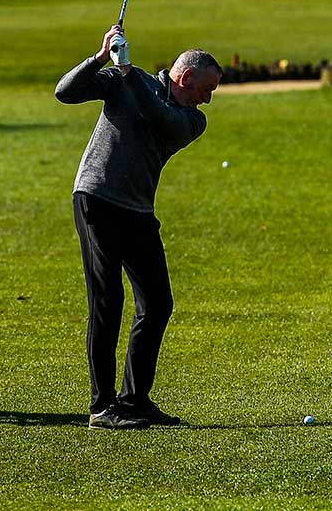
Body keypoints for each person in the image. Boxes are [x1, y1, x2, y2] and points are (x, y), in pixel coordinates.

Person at [54, 24, 222, 430]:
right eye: (206, 89)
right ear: (184, 78)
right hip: (96, 197)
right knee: (107, 299)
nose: (208, 99)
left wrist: (128, 72)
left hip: (137, 211)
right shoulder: (126, 79)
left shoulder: (190, 120)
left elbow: (160, 118)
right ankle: (102, 407)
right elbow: (65, 92)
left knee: (158, 302)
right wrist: (100, 58)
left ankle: (134, 400)